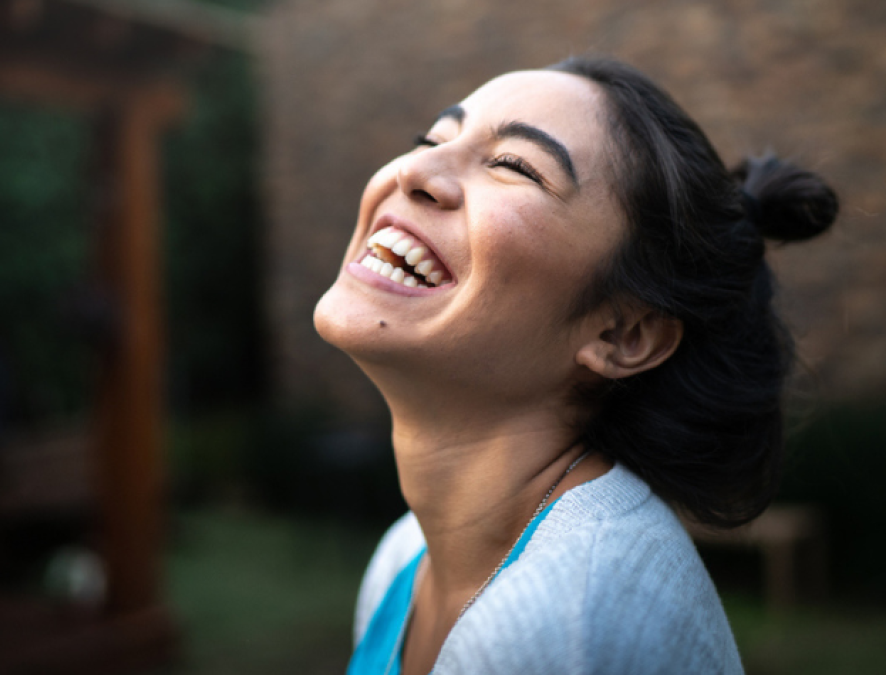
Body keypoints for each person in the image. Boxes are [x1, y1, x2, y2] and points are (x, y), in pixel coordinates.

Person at [313, 56, 839, 675]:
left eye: (513, 166)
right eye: (432, 139)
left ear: (623, 333)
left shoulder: (561, 631)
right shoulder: (405, 557)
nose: (414, 171)